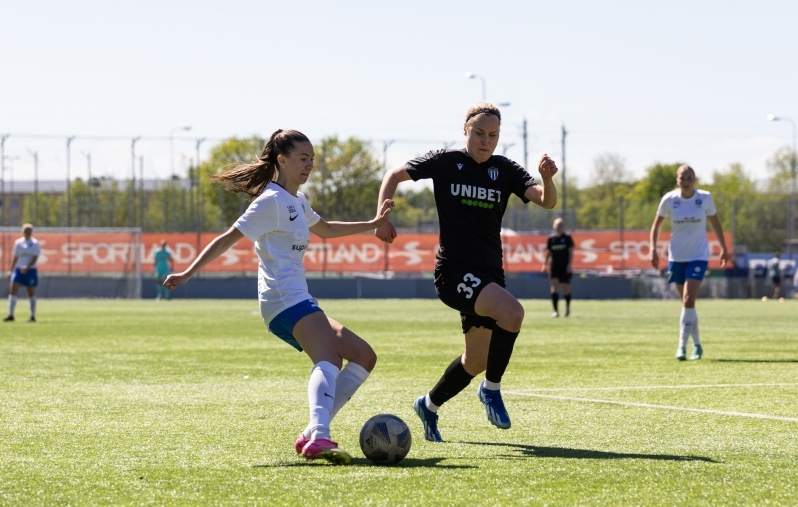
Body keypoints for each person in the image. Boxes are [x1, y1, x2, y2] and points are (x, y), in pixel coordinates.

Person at [163, 129, 394, 465]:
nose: (310, 164)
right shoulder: (270, 201)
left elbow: (326, 228)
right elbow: (228, 238)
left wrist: (373, 223)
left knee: (363, 355)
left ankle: (313, 431)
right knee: (329, 360)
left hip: (295, 297)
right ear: (281, 160)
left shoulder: (297, 201)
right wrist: (187, 272)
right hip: (283, 297)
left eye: (312, 158)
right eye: (303, 158)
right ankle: (318, 435)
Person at [375, 102, 557, 442]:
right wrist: (382, 217)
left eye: (493, 135)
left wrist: (546, 177)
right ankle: (492, 390)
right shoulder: (446, 162)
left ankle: (428, 405)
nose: (486, 141)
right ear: (465, 131)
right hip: (454, 272)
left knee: (475, 360)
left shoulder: (505, 170)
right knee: (513, 313)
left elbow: (547, 201)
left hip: (489, 274)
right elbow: (393, 175)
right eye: (479, 133)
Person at [649, 165, 730, 361]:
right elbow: (656, 226)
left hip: (699, 256)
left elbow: (715, 224)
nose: (686, 181)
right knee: (688, 305)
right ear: (677, 180)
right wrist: (653, 248)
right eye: (682, 178)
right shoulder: (669, 200)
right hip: (676, 257)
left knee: (687, 299)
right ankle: (698, 345)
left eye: (689, 177)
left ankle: (682, 347)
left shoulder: (705, 198)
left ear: (694, 180)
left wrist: (724, 248)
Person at [4, 224, 40, 323]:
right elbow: (15, 257)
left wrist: (28, 267)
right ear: (22, 232)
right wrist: (10, 270)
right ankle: (11, 314)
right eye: (25, 230)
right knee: (13, 290)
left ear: (31, 232)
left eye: (29, 231)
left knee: (30, 292)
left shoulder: (35, 243)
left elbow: (35, 257)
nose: (27, 232)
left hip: (31, 270)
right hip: (18, 270)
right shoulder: (18, 243)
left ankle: (32, 316)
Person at [543, 217, 574, 317]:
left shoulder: (567, 238)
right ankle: (555, 311)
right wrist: (544, 264)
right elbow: (548, 252)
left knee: (565, 289)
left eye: (561, 225)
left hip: (564, 267)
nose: (559, 227)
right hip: (554, 266)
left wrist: (569, 264)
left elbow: (570, 252)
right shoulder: (551, 239)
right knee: (554, 288)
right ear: (553, 226)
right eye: (557, 225)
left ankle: (567, 308)